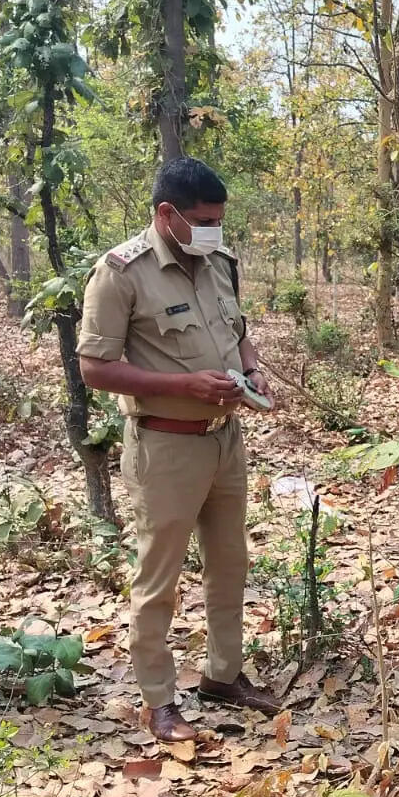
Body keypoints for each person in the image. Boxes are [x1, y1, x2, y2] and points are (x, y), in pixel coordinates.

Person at [77, 157, 279, 742]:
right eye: (204, 221)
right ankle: (158, 700)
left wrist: (251, 371)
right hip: (164, 445)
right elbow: (94, 367)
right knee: (159, 576)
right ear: (167, 214)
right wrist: (183, 385)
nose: (214, 231)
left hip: (225, 440)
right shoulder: (120, 273)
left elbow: (238, 333)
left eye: (219, 221)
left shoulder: (219, 262)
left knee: (229, 564)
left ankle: (223, 675)